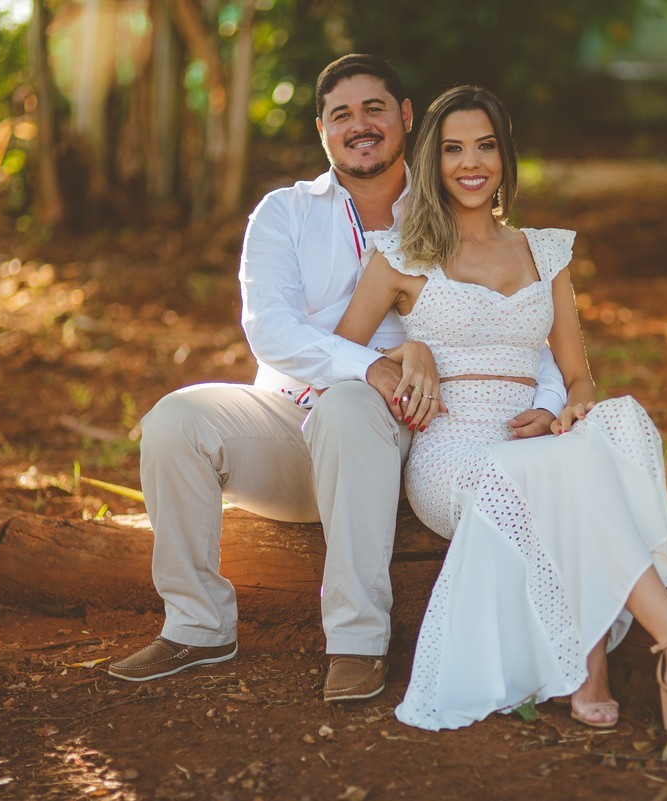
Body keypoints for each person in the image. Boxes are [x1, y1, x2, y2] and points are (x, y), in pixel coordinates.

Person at [107, 56, 569, 704]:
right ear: (321, 128)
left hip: (397, 426)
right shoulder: (284, 213)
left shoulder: (449, 212)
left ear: (406, 117)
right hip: (289, 419)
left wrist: (551, 396)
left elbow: (515, 321)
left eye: (374, 108)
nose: (360, 125)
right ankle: (198, 626)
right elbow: (269, 329)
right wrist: (368, 365)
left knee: (352, 408)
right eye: (341, 114)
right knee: (174, 420)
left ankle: (356, 643)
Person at [334, 85, 667, 740]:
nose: (470, 163)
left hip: (535, 435)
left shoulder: (545, 250)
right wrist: (409, 349)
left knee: (610, 427)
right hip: (453, 449)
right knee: (551, 477)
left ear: (505, 157)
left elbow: (578, 374)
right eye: (452, 148)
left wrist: (564, 410)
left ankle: (603, 654)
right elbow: (340, 355)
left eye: (484, 146)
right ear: (432, 161)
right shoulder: (399, 255)